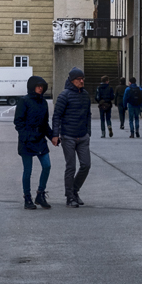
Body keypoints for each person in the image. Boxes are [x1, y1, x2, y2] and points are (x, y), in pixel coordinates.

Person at [14, 75, 57, 209]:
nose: (40, 88)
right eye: (38, 86)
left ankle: (40, 193)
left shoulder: (43, 102)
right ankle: (27, 198)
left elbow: (45, 123)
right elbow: (18, 122)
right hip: (27, 140)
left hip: (39, 139)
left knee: (47, 165)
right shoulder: (24, 101)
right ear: (32, 87)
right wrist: (25, 136)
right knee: (28, 170)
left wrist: (52, 136)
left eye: (42, 87)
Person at [52, 67, 92, 207]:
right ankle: (69, 197)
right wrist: (55, 135)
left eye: (83, 79)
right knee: (71, 167)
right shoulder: (64, 95)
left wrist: (88, 132)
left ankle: (75, 190)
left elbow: (88, 114)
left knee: (86, 165)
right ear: (72, 80)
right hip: (68, 136)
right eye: (79, 79)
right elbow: (57, 116)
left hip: (82, 136)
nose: (82, 81)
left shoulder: (85, 94)